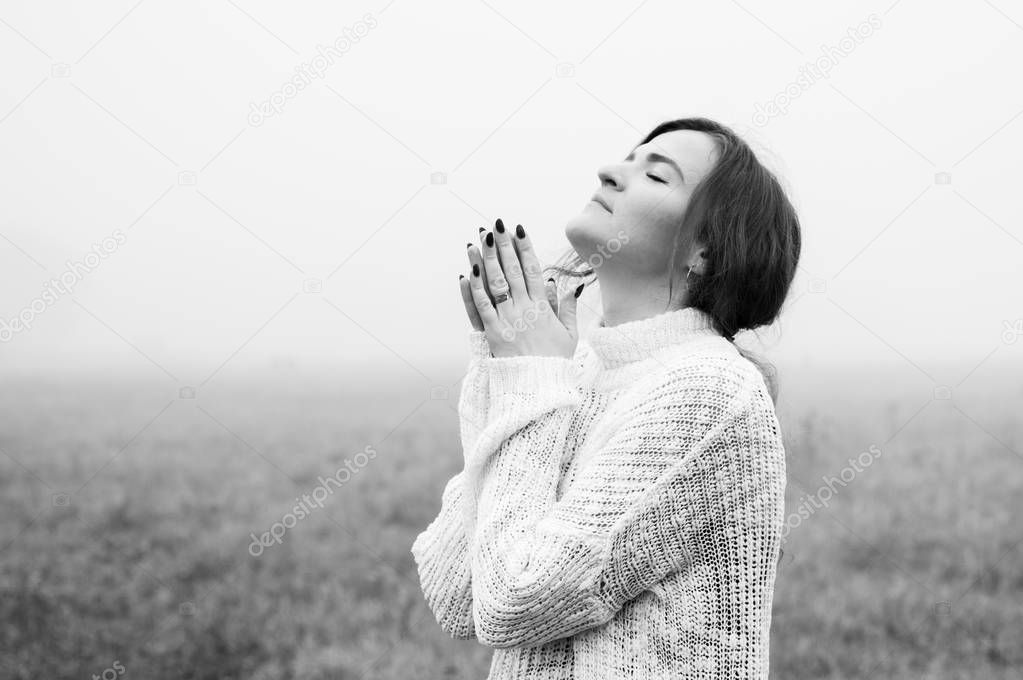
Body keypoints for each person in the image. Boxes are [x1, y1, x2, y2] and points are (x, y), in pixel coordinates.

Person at [411, 117, 801, 679]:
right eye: (629, 157)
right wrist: (506, 366)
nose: (610, 172)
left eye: (657, 176)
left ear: (705, 252)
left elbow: (511, 600)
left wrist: (530, 371)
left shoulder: (710, 392)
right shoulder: (581, 371)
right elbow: (454, 591)